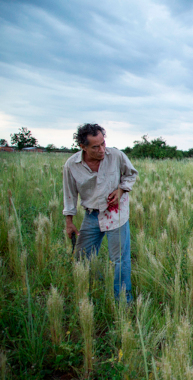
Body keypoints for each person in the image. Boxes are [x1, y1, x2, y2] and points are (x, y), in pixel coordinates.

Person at [63, 123, 138, 302]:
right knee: (82, 256)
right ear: (83, 147)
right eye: (95, 147)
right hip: (91, 215)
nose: (102, 149)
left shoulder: (117, 156)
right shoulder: (71, 165)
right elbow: (69, 194)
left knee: (119, 260)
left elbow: (131, 174)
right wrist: (69, 222)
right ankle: (92, 291)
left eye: (103, 143)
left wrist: (121, 190)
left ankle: (123, 301)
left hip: (115, 214)